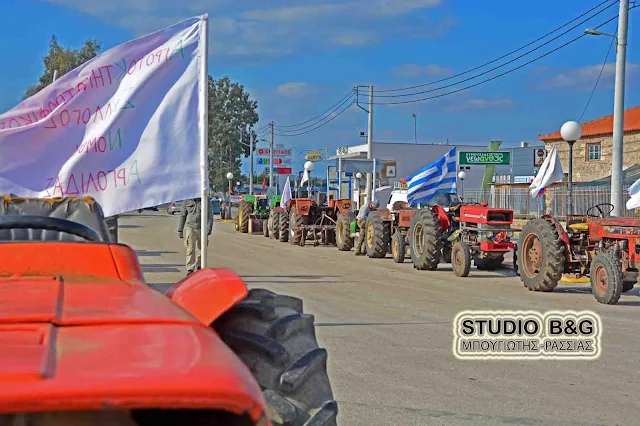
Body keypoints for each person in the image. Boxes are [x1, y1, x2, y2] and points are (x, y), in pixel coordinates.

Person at [178, 198, 213, 275]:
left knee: (202, 249)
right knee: (190, 248)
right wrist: (180, 230)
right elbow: (182, 215)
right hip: (190, 227)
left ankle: (199, 266)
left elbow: (210, 215)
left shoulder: (206, 200)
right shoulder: (186, 200)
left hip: (202, 227)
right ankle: (190, 268)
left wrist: (208, 228)